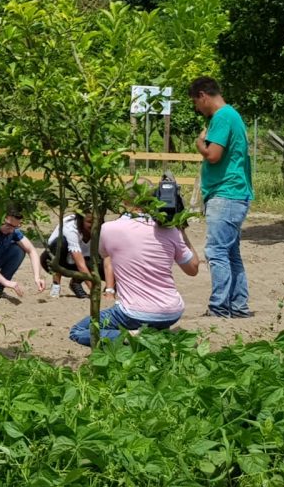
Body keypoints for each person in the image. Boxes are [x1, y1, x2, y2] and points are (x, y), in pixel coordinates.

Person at [69, 182, 201, 346]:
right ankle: (165, 335)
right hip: (171, 312)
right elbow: (193, 269)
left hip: (133, 314)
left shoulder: (109, 229)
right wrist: (180, 227)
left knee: (78, 331)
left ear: (124, 201)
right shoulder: (170, 230)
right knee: (150, 324)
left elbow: (105, 256)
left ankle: (133, 336)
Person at [190, 76, 254, 318]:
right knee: (230, 253)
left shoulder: (222, 117)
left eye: (196, 103)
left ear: (203, 95)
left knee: (216, 251)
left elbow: (214, 154)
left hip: (225, 194)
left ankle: (219, 307)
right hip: (235, 193)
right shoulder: (232, 116)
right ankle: (238, 306)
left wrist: (199, 144)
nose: (197, 109)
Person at [40, 211, 96, 299]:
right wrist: (94, 290)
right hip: (52, 261)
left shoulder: (102, 230)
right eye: (89, 222)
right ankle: (56, 285)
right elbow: (80, 264)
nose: (94, 225)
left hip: (78, 261)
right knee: (61, 243)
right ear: (81, 221)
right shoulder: (70, 227)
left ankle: (75, 283)